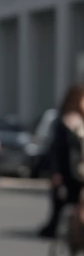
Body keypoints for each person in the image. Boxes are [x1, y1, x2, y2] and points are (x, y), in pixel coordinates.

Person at [38, 84, 84, 238]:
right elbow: (56, 150)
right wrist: (56, 172)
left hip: (80, 170)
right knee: (64, 203)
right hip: (69, 172)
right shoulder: (64, 123)